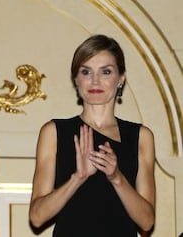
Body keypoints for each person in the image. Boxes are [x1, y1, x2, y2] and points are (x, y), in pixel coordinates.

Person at [29, 34, 155, 236]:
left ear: (121, 79)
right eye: (86, 72)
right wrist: (77, 178)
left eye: (106, 72)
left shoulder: (140, 136)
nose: (95, 80)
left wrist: (116, 178)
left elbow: (147, 221)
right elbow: (36, 216)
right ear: (76, 80)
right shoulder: (54, 132)